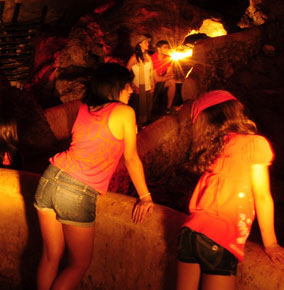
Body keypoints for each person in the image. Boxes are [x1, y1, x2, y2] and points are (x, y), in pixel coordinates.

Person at [34, 63, 154, 290]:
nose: (131, 90)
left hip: (50, 178)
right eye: (128, 85)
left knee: (50, 256)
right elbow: (131, 158)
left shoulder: (85, 107)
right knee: (79, 264)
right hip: (77, 190)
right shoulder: (124, 112)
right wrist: (145, 196)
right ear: (116, 85)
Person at [176, 90, 284, 290]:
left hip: (189, 233)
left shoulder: (212, 151)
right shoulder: (254, 144)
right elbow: (262, 196)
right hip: (219, 238)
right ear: (234, 112)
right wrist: (271, 243)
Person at [127, 34, 155, 125]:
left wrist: (153, 84)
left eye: (148, 42)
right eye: (145, 42)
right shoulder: (134, 58)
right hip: (139, 87)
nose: (148, 44)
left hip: (148, 86)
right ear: (139, 44)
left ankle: (146, 125)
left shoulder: (148, 56)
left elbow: (151, 72)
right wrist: (133, 85)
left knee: (147, 108)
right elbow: (125, 73)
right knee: (139, 110)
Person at [150, 40, 177, 113]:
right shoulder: (153, 58)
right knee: (170, 79)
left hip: (160, 82)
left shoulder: (168, 58)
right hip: (151, 84)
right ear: (159, 49)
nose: (167, 49)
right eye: (165, 47)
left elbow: (170, 73)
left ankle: (168, 107)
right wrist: (168, 77)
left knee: (172, 82)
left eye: (168, 47)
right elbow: (157, 79)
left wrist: (167, 77)